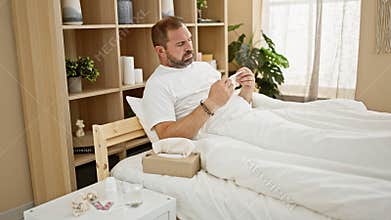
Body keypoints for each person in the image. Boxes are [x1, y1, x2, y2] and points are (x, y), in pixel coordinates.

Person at [142, 16, 256, 139]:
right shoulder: (157, 85)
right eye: (180, 44)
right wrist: (211, 103)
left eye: (189, 40)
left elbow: (231, 106)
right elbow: (166, 135)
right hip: (225, 133)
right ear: (160, 51)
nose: (189, 48)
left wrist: (247, 90)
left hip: (245, 119)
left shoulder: (204, 68)